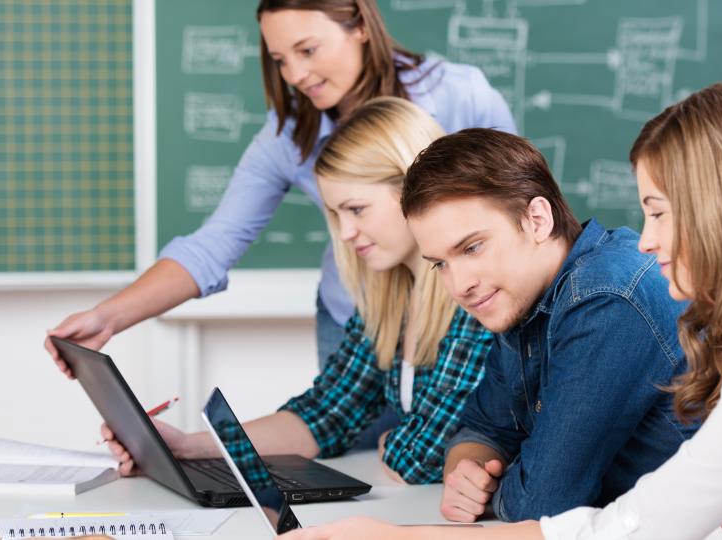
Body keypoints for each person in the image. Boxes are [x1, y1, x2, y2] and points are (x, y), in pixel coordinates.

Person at [271, 83, 722, 539]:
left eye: (659, 211)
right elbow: (492, 431)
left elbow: (610, 523)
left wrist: (393, 536)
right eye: (441, 262)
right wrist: (480, 465)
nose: (648, 240)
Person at [43, 0, 514, 447]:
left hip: (454, 307)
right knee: (362, 453)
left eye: (307, 50)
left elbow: (512, 208)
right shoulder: (288, 135)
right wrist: (107, 318)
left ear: (360, 26)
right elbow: (214, 246)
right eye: (280, 60)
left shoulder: (459, 96)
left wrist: (412, 452)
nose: (295, 74)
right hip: (371, 310)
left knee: (438, 455)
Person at [103, 97, 493, 484]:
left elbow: (423, 458)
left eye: (357, 209)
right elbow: (325, 414)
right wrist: (190, 446)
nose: (346, 232)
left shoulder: (473, 297)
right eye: (336, 214)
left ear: (415, 190)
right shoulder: (390, 301)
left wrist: (392, 442)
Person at [408, 128, 693, 523]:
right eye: (440, 263)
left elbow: (544, 505)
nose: (459, 286)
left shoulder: (606, 297)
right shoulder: (521, 296)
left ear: (538, 220)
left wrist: (501, 488)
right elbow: (484, 428)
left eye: (472, 248)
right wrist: (467, 474)